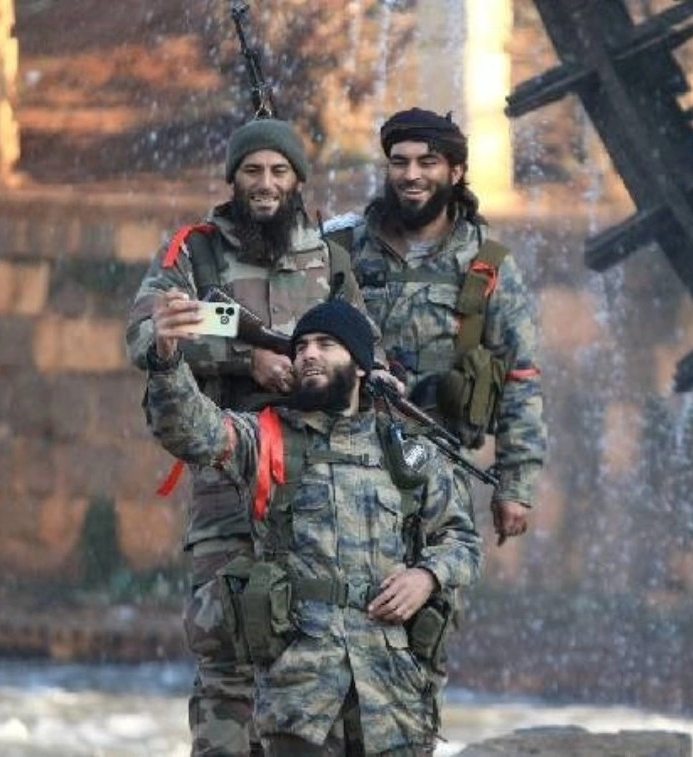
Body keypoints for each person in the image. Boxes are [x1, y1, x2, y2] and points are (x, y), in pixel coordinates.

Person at [126, 118, 371, 756]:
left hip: (319, 481)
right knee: (226, 643)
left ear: (297, 180)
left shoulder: (328, 260)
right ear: (233, 178)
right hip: (228, 470)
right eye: (253, 171)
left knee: (316, 641)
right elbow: (146, 335)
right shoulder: (195, 254)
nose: (265, 184)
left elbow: (365, 351)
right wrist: (246, 359)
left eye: (279, 171)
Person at [145, 296, 483, 756]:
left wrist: (427, 576)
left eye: (326, 344)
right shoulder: (265, 437)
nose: (308, 354)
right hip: (301, 699)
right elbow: (190, 430)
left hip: (391, 698)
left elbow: (462, 540)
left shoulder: (405, 450)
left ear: (360, 366)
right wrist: (166, 358)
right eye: (301, 346)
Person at [340, 107, 546, 546]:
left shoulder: (486, 263)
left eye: (427, 162)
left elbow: (520, 376)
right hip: (345, 466)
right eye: (399, 162)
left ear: (456, 172)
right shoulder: (345, 249)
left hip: (440, 469)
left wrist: (515, 485)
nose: (411, 175)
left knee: (438, 582)